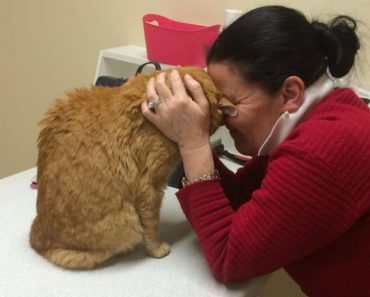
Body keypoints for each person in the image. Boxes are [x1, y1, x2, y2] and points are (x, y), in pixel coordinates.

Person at [141, 5, 370, 297]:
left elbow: (229, 258)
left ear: (289, 93)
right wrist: (184, 134)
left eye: (231, 103)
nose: (221, 116)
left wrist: (193, 144)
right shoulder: (323, 116)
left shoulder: (322, 151)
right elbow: (239, 198)